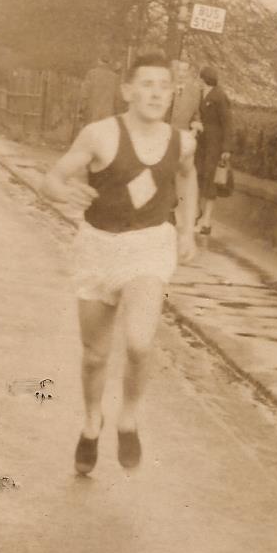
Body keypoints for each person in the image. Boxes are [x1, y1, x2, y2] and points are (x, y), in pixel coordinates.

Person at [41, 50, 198, 475]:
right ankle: (93, 422)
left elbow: (186, 174)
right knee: (95, 354)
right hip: (98, 247)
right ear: (128, 91)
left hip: (149, 245)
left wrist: (185, 229)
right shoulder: (99, 135)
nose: (155, 93)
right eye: (146, 84)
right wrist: (62, 191)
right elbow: (52, 178)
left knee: (140, 343)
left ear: (172, 94)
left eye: (163, 86)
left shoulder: (181, 141)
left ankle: (128, 417)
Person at [191, 65, 232, 236]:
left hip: (214, 146)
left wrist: (226, 148)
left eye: (199, 78)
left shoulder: (219, 96)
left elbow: (228, 123)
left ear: (204, 79)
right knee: (198, 177)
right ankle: (196, 214)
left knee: (210, 182)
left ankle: (206, 222)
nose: (198, 82)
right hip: (202, 143)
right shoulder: (202, 94)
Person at [78, 55, 121, 126]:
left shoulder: (91, 74)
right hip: (108, 116)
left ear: (99, 61)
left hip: (92, 115)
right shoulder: (115, 78)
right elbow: (118, 99)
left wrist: (81, 111)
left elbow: (84, 94)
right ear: (109, 62)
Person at [167, 60, 202, 130]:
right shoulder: (166, 88)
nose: (181, 74)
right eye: (178, 70)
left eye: (184, 70)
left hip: (182, 135)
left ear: (188, 72)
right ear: (174, 71)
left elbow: (196, 116)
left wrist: (195, 128)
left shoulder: (195, 93)